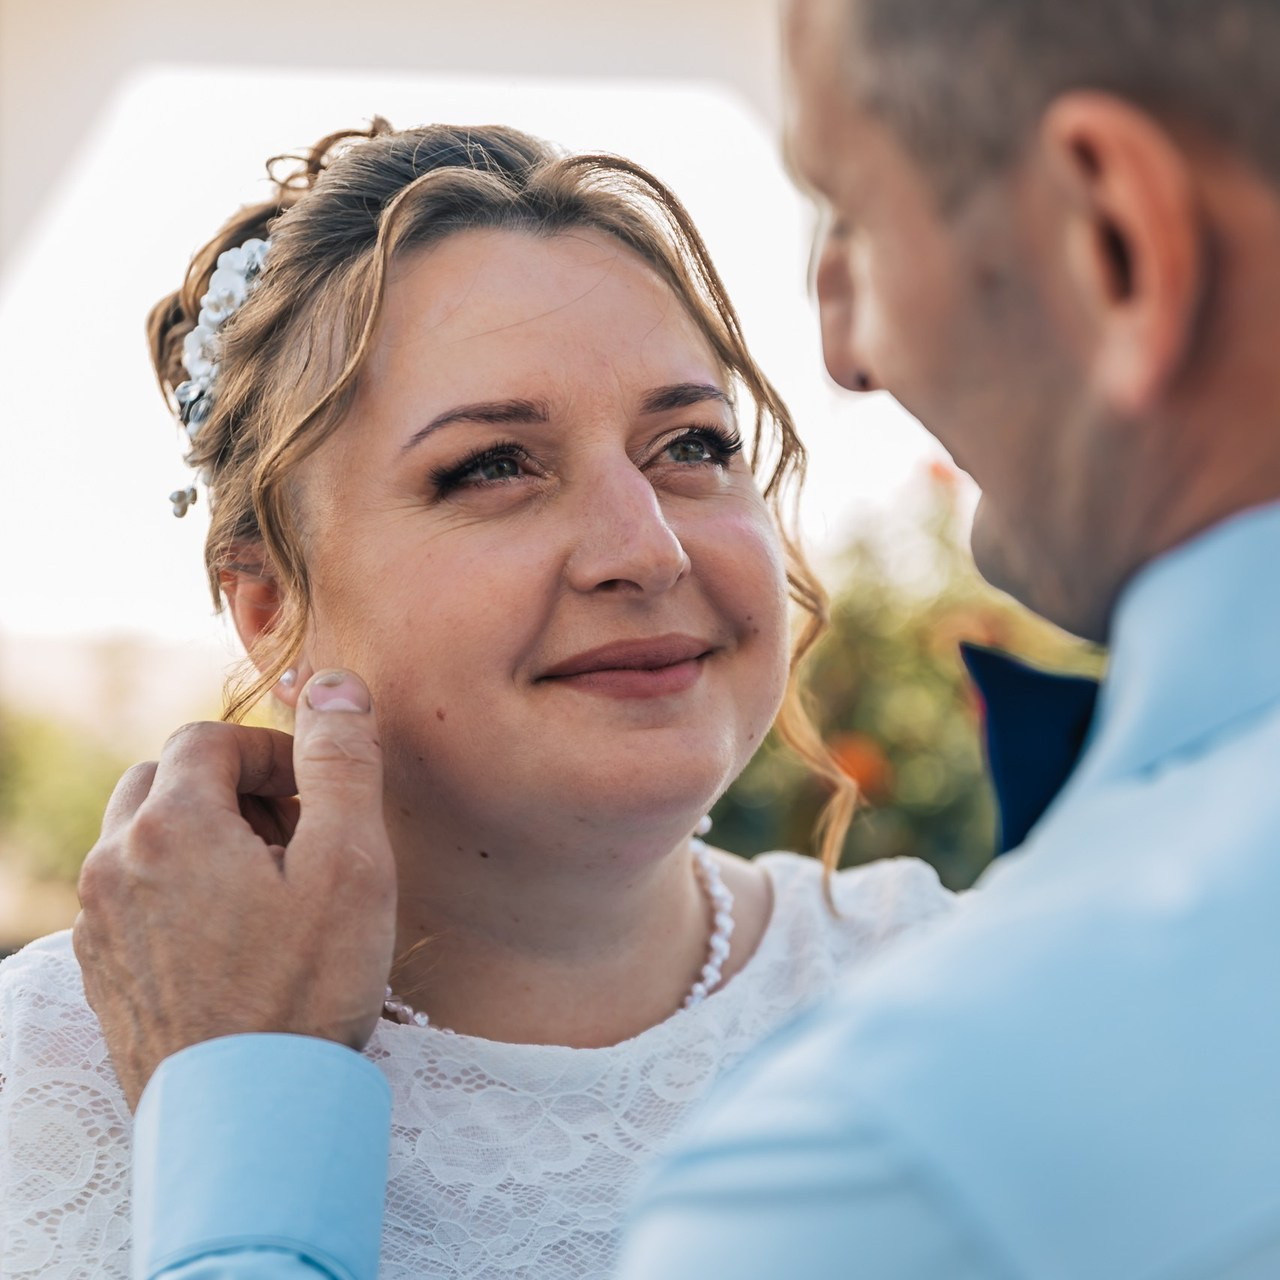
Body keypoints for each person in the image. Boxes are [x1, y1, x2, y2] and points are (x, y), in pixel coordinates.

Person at [0, 119, 956, 1279]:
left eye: (690, 443)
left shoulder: (948, 989)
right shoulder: (44, 1071)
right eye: (492, 465)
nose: (645, 548)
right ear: (272, 607)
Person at [616, 0, 1280, 1274]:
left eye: (853, 217)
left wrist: (258, 1117)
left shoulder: (882, 1164)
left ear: (1113, 244)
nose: (840, 351)